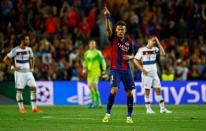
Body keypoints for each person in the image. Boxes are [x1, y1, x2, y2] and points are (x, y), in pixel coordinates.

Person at [102, 7, 135, 124]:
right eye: (119, 29)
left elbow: (132, 55)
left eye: (122, 29)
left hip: (126, 70)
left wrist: (129, 57)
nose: (120, 31)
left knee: (129, 93)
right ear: (116, 30)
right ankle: (107, 113)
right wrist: (107, 17)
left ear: (125, 31)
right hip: (115, 69)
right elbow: (107, 28)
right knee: (114, 89)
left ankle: (129, 116)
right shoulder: (113, 38)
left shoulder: (129, 41)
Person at [133, 36, 172, 114]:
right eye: (152, 41)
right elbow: (135, 60)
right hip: (146, 74)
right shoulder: (142, 50)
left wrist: (158, 42)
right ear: (148, 40)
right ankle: (148, 109)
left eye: (154, 42)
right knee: (147, 90)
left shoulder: (155, 49)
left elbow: (163, 54)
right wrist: (142, 69)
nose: (153, 42)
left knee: (158, 90)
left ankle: (162, 108)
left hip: (155, 74)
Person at [3, 35, 41, 113]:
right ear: (22, 41)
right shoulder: (15, 50)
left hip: (28, 72)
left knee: (33, 88)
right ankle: (21, 108)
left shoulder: (29, 49)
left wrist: (32, 67)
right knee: (19, 90)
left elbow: (32, 58)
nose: (28, 41)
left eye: (28, 40)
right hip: (19, 73)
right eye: (27, 40)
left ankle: (34, 108)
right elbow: (5, 59)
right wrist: (12, 66)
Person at [83, 40, 107, 108]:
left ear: (95, 45)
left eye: (94, 44)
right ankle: (93, 102)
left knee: (94, 85)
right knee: (90, 87)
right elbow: (85, 62)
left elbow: (103, 61)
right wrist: (84, 68)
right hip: (89, 73)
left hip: (96, 71)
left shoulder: (98, 52)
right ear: (89, 45)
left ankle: (98, 103)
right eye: (91, 44)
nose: (93, 45)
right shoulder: (86, 53)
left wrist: (104, 70)